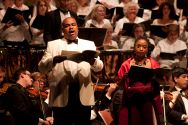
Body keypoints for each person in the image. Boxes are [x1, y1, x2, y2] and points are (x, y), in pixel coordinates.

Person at [38, 17, 103, 125]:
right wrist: (53, 60)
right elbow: (41, 67)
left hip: (83, 92)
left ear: (77, 28)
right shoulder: (53, 44)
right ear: (62, 30)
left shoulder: (89, 44)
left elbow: (99, 66)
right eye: (67, 26)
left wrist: (93, 62)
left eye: (73, 24)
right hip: (61, 92)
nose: (71, 27)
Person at [117, 36, 164, 125]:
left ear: (147, 49)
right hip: (131, 100)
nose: (141, 49)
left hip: (148, 100)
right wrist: (124, 77)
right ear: (134, 48)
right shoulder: (126, 64)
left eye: (144, 47)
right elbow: (119, 85)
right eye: (138, 46)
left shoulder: (153, 64)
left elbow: (159, 82)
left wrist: (155, 78)